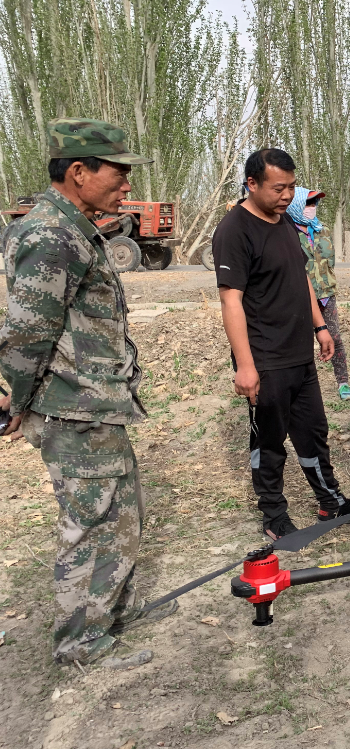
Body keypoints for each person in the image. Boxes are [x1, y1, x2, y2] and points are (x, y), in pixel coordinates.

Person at [0, 118, 178, 666]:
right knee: (90, 523)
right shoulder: (51, 234)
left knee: (123, 514)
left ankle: (110, 610)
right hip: (70, 410)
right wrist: (15, 401)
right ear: (79, 172)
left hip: (99, 405)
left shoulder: (76, 226)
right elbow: (27, 334)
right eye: (119, 174)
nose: (127, 185)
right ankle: (80, 642)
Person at [214, 148, 350, 540]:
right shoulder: (234, 231)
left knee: (313, 431)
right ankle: (274, 515)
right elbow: (230, 300)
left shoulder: (284, 222)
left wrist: (320, 325)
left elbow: (300, 275)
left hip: (299, 352)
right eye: (278, 188)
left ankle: (331, 502)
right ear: (251, 184)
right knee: (269, 441)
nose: (286, 195)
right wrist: (245, 365)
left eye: (290, 187)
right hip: (265, 358)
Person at [287, 187, 350, 401]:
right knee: (300, 342)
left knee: (334, 338)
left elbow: (329, 261)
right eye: (308, 203)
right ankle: (300, 387)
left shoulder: (321, 229)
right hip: (299, 297)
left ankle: (343, 383)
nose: (312, 208)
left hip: (326, 294)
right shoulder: (286, 232)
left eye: (314, 203)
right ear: (296, 205)